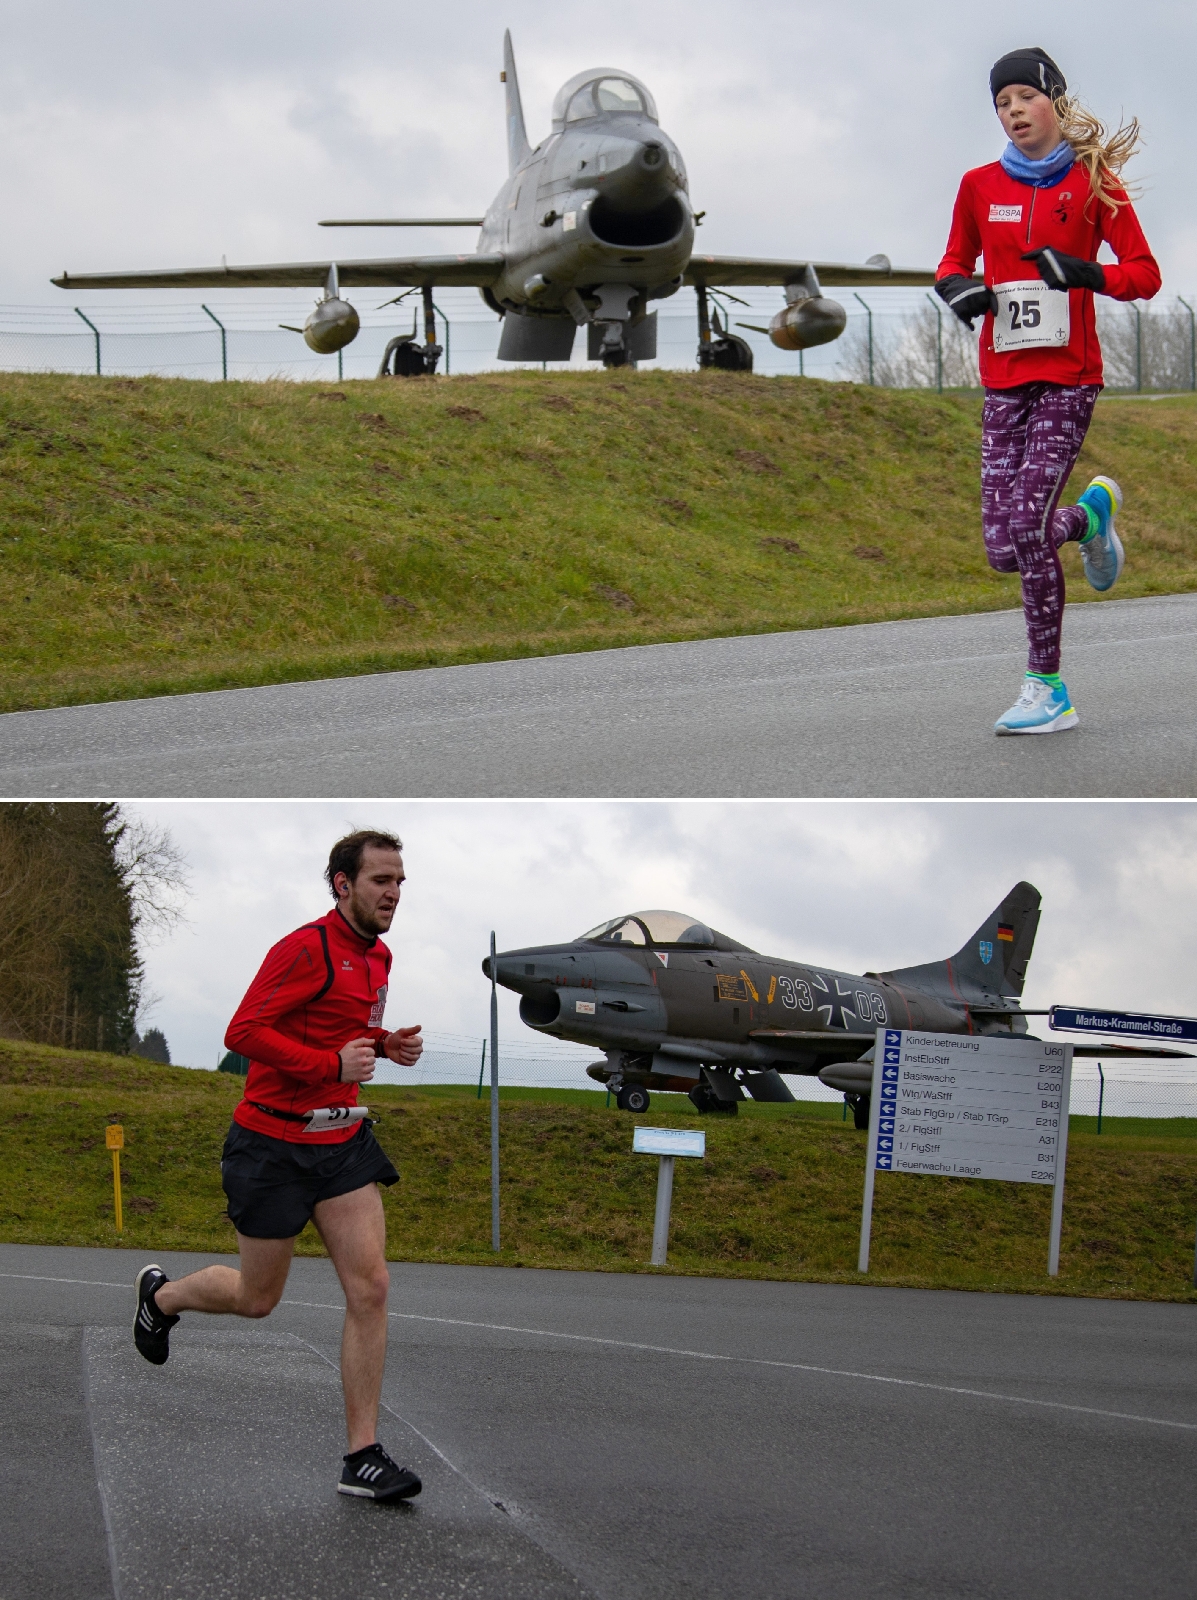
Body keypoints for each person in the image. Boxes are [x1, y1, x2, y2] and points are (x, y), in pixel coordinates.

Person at [132, 828, 426, 1503]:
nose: (393, 893)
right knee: (257, 1299)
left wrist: (385, 1044)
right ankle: (162, 1297)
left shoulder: (379, 957)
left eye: (400, 881)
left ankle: (363, 1456)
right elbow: (241, 1033)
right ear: (342, 884)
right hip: (270, 1144)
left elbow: (339, 1030)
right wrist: (328, 1065)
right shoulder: (303, 949)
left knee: (371, 1286)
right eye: (381, 880)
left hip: (341, 1140)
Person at [935, 46, 1160, 734]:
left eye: (1022, 98)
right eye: (1000, 104)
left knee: (1028, 528)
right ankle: (1089, 520)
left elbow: (1144, 275)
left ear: (1053, 103)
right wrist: (958, 289)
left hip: (1068, 378)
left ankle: (1047, 689)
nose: (1011, 113)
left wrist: (1085, 274)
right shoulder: (977, 185)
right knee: (1003, 549)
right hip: (1002, 382)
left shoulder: (1096, 181)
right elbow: (951, 260)